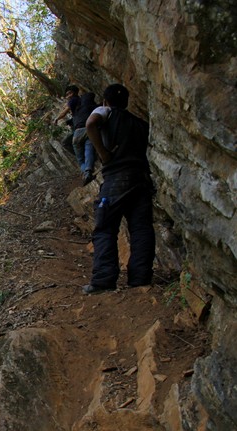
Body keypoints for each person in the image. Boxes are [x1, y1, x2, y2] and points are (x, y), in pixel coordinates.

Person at [82, 84, 155, 294]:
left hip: (116, 179)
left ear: (105, 101)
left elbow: (90, 124)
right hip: (141, 179)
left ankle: (103, 280)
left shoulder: (105, 112)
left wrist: (104, 154)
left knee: (105, 228)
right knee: (141, 228)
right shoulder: (141, 123)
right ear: (127, 102)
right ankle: (140, 279)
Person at [55, 85, 97, 185]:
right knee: (88, 150)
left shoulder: (73, 100)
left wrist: (57, 118)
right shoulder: (84, 104)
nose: (67, 97)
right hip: (89, 129)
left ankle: (86, 171)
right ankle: (88, 171)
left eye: (68, 94)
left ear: (72, 93)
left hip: (78, 133)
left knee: (80, 158)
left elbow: (65, 112)